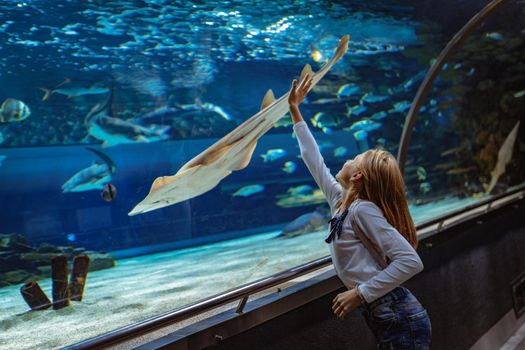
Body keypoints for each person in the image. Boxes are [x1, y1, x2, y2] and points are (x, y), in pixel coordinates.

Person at [288, 74, 432, 349]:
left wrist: (359, 294)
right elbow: (313, 159)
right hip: (387, 317)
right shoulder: (340, 202)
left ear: (357, 176)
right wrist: (295, 111)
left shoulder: (363, 210)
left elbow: (411, 261)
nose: (349, 158)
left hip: (401, 318)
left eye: (354, 159)